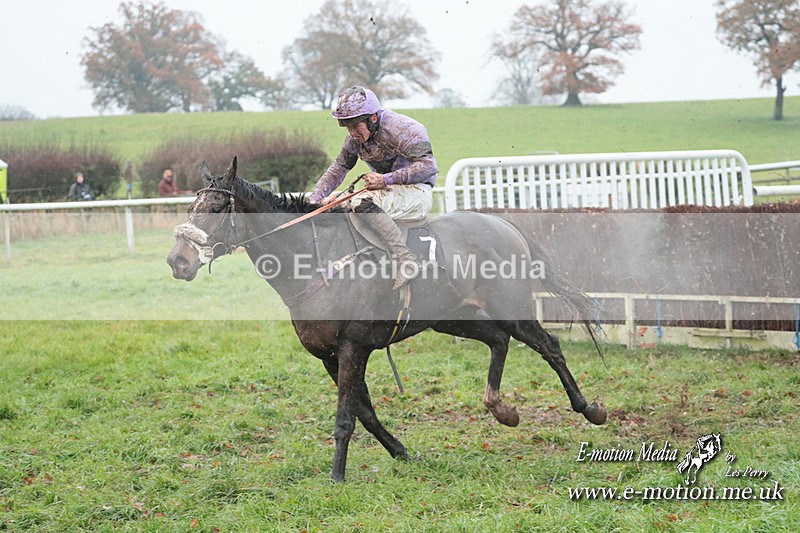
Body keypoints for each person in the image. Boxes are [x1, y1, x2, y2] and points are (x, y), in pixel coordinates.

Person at [309, 86, 437, 289]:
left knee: (361, 201)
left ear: (373, 119)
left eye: (356, 126)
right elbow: (339, 168)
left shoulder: (404, 129)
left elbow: (429, 166)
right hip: (390, 192)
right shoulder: (354, 139)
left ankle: (406, 260)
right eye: (348, 127)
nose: (353, 133)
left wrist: (385, 180)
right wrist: (315, 200)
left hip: (418, 191)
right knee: (337, 203)